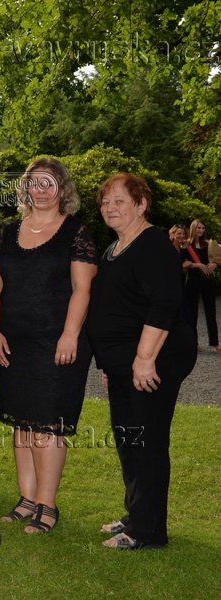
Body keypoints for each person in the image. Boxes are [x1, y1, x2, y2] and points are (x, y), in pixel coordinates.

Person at [0, 158, 98, 533]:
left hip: (57, 344)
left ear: (62, 189)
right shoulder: (7, 233)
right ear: (25, 188)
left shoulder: (76, 232)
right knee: (22, 422)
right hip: (13, 342)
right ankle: (27, 499)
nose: (41, 189)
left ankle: (47, 506)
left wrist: (70, 334)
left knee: (47, 424)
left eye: (49, 182)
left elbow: (83, 288)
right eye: (34, 182)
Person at [88, 173, 197, 549]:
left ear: (141, 204)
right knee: (128, 438)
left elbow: (164, 305)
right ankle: (136, 515)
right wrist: (110, 364)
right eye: (105, 202)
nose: (110, 208)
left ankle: (147, 532)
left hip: (156, 358)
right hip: (125, 362)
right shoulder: (116, 247)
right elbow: (115, 308)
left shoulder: (153, 245)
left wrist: (145, 359)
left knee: (146, 441)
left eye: (119, 201)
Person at [181, 219, 219, 352]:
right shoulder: (186, 245)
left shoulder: (208, 244)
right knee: (192, 312)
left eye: (203, 228)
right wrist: (197, 265)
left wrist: (214, 264)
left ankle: (214, 343)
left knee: (211, 311)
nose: (201, 230)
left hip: (208, 280)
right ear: (193, 228)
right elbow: (183, 264)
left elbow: (216, 259)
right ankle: (194, 343)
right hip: (193, 280)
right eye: (198, 228)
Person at [168, 225, 195, 329]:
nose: (182, 236)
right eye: (179, 233)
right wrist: (182, 266)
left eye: (183, 234)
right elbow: (167, 269)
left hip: (180, 284)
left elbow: (184, 270)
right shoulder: (168, 249)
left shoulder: (183, 250)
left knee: (185, 314)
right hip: (171, 286)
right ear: (172, 235)